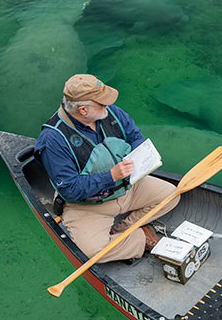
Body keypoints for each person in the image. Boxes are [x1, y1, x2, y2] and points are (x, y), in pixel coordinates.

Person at [34, 74, 178, 262]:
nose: (108, 106)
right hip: (88, 205)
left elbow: (135, 136)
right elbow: (69, 189)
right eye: (102, 104)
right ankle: (140, 239)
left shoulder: (109, 112)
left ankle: (124, 228)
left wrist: (140, 156)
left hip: (127, 187)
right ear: (83, 109)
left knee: (172, 194)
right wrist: (110, 176)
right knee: (91, 253)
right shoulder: (52, 141)